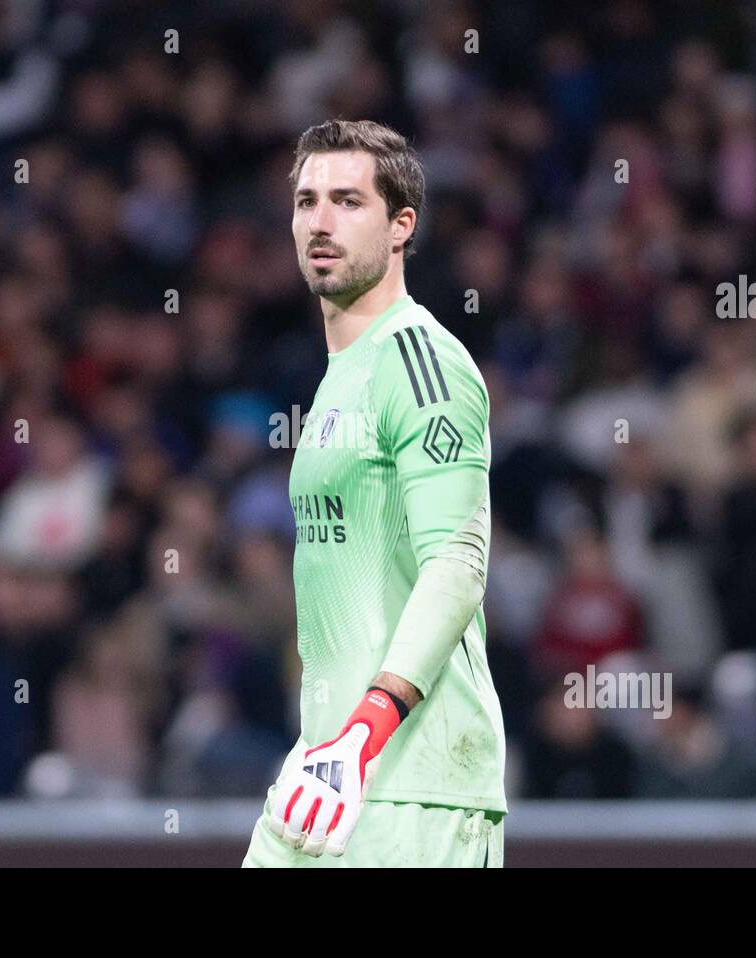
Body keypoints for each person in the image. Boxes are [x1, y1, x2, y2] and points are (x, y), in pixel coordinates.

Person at [241, 120, 507, 868]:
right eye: (306, 201)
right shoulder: (339, 378)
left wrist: (366, 729)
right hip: (321, 773)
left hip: (413, 785)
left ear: (401, 227)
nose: (319, 221)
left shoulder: (420, 361)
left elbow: (457, 562)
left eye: (348, 201)